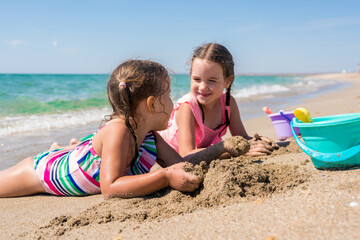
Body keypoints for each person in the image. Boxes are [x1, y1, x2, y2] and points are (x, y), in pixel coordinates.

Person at [0, 59, 250, 198]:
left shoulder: (151, 136)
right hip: (45, 174)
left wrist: (221, 148)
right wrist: (164, 176)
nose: (175, 103)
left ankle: (68, 148)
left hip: (85, 157)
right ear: (152, 104)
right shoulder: (118, 131)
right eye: (169, 95)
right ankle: (63, 151)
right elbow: (111, 187)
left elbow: (181, 162)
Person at [159, 43, 278, 158]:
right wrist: (235, 150)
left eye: (212, 80)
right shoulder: (188, 107)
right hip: (161, 153)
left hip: (202, 152)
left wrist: (257, 141)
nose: (202, 87)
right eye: (197, 79)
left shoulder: (228, 104)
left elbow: (242, 138)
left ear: (227, 81)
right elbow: (186, 154)